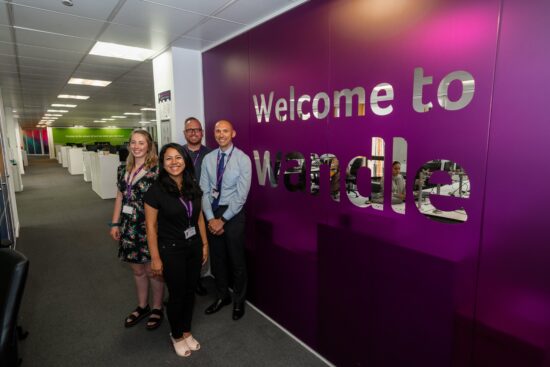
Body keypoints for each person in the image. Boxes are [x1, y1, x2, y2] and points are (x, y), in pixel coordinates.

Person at [144, 143, 209, 357]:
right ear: (163, 164)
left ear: (185, 160)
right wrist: (155, 258)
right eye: (169, 159)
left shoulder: (192, 184)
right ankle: (176, 335)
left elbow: (198, 216)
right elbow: (151, 228)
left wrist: (205, 244)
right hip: (170, 250)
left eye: (178, 157)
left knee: (190, 292)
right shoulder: (156, 191)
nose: (174, 162)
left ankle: (187, 331)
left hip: (193, 246)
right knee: (177, 294)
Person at [109, 129, 164, 330]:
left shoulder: (158, 170)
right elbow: (120, 196)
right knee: (137, 269)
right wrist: (115, 223)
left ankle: (157, 308)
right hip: (128, 227)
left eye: (141, 143)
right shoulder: (123, 169)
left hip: (149, 227)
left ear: (149, 146)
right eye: (133, 142)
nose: (137, 146)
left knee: (153, 270)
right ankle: (143, 306)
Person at [200, 120, 252, 321]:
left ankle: (239, 300)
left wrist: (222, 220)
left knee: (236, 260)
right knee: (218, 259)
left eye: (225, 131)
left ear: (233, 133)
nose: (221, 134)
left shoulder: (242, 159)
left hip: (233, 214)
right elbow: (204, 190)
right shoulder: (209, 159)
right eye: (218, 131)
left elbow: (241, 196)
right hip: (212, 212)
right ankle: (223, 296)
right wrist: (211, 218)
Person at [182, 117, 211, 296]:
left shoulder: (210, 154)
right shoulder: (177, 152)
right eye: (190, 130)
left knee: (198, 244)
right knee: (182, 244)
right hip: (181, 205)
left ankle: (196, 280)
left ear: (202, 133)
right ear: (185, 133)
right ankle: (181, 283)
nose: (193, 133)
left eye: (197, 129)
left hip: (202, 204)